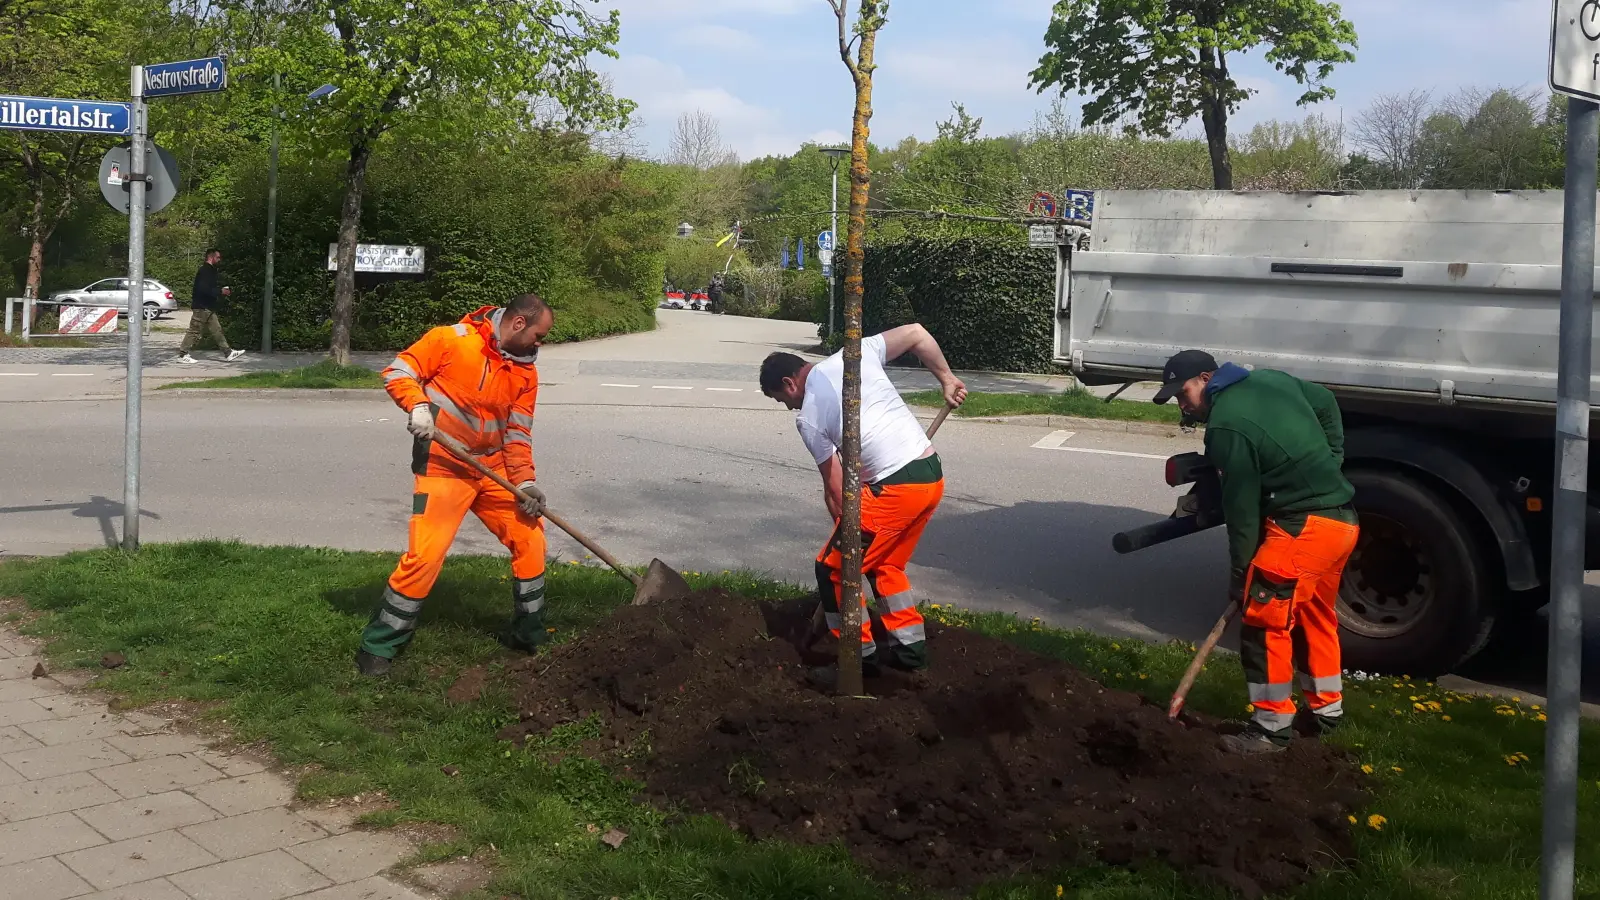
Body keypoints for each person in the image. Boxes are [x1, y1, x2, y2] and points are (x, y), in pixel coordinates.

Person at [1153, 350, 1359, 754]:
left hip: (1302, 530)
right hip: (1341, 523)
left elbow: (1242, 512)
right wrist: (1333, 458)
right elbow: (1326, 401)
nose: (1181, 403)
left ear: (1208, 378)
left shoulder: (1226, 427)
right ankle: (1326, 714)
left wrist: (1239, 578)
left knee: (1264, 621)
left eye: (1184, 392)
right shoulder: (1271, 380)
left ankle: (1269, 729)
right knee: (1314, 616)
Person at [356, 294, 555, 677]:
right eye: (538, 335)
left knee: (530, 538)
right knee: (425, 556)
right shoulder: (451, 340)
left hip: (494, 468)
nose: (539, 343)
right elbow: (398, 372)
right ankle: (380, 644)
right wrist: (417, 406)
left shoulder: (525, 373)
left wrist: (526, 483)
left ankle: (529, 633)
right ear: (518, 324)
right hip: (445, 465)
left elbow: (517, 433)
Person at [759, 324, 967, 685]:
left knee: (832, 570)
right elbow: (917, 333)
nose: (788, 405)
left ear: (790, 384)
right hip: (929, 476)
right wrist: (946, 378)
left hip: (895, 489)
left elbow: (836, 490)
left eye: (782, 399)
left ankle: (858, 659)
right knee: (885, 564)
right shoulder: (854, 356)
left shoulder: (807, 415)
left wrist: (844, 538)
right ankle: (909, 651)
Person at [175, 249, 245, 364]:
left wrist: (219, 291)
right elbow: (203, 289)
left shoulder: (210, 271)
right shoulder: (205, 271)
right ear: (211, 257)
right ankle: (183, 355)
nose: (219, 260)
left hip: (208, 307)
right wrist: (220, 291)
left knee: (217, 330)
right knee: (194, 331)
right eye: (218, 257)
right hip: (202, 307)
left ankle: (228, 352)